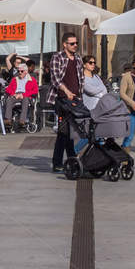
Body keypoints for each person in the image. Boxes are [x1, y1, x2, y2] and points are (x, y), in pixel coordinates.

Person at [49, 32, 83, 174]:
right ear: (65, 44)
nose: (75, 45)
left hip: (75, 100)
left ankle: (71, 159)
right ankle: (58, 162)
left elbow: (81, 79)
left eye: (76, 43)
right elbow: (55, 79)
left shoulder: (78, 59)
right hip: (62, 99)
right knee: (64, 131)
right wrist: (67, 92)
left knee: (71, 132)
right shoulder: (57, 57)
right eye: (72, 43)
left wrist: (80, 95)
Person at [3, 59, 38, 131]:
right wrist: (14, 94)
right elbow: (8, 90)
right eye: (18, 71)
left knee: (25, 99)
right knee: (9, 99)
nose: (20, 73)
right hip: (16, 95)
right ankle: (8, 120)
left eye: (21, 71)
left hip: (26, 96)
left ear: (26, 71)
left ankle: (22, 121)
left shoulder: (32, 79)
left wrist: (23, 94)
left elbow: (35, 91)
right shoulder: (14, 79)